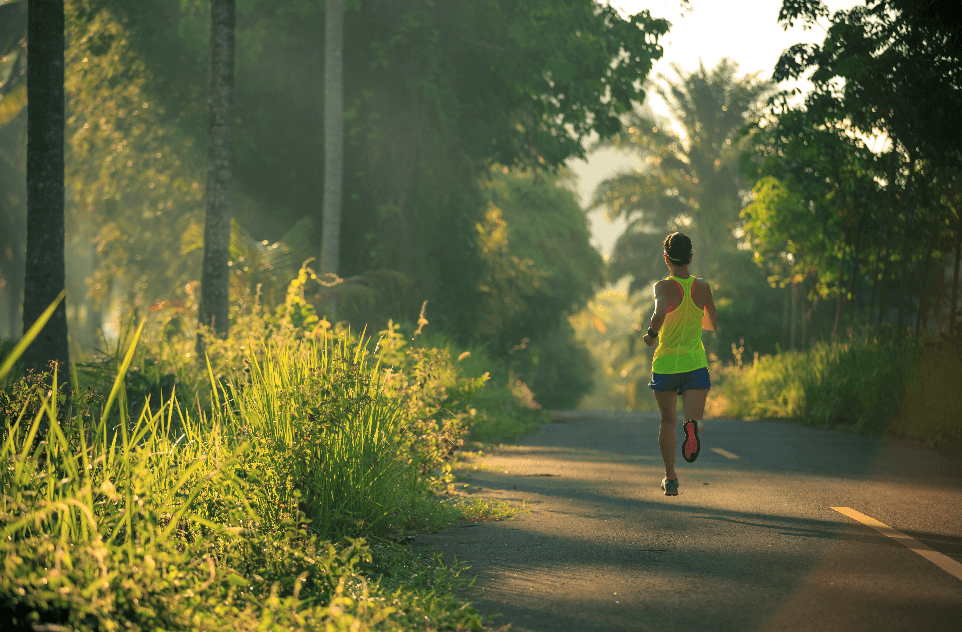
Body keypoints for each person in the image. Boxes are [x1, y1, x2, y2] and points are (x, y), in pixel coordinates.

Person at [642, 232, 718, 497]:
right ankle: (693, 427)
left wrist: (651, 336)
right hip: (695, 365)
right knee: (691, 418)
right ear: (690, 257)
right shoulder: (704, 287)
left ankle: (671, 478)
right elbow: (712, 324)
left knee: (667, 421)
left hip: (666, 366)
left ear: (666, 259)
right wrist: (692, 315)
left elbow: (659, 313)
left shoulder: (663, 286)